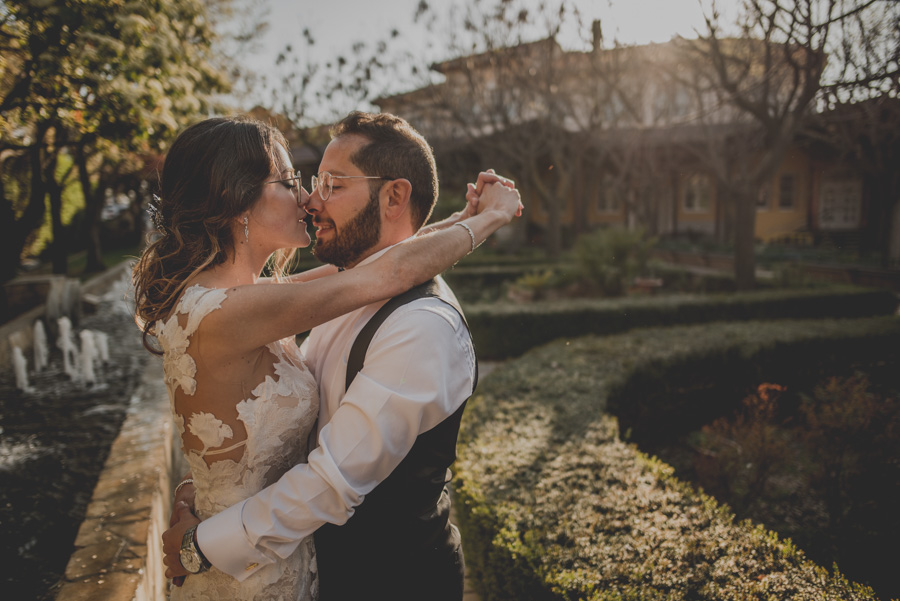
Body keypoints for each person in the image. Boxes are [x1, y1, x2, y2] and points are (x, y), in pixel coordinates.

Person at [138, 114, 521, 601]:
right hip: (251, 571)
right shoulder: (238, 309)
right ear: (235, 200)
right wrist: (487, 218)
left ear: (394, 197)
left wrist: (468, 217)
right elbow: (387, 271)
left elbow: (389, 265)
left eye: (329, 185)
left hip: (384, 581)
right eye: (293, 182)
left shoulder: (401, 318)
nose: (308, 199)